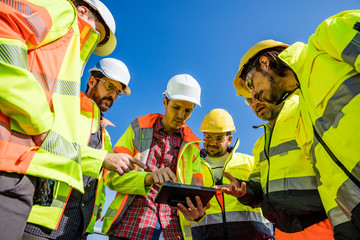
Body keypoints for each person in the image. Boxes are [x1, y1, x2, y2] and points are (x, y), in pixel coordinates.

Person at [0, 0, 118, 239]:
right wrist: (40, 122)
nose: (89, 41)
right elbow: (5, 23)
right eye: (96, 33)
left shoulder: (101, 125)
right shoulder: (64, 10)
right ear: (83, 10)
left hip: (25, 170)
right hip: (12, 163)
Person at [228, 36, 360, 238]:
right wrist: (246, 191)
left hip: (320, 226)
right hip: (288, 229)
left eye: (251, 84)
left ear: (264, 63)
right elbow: (260, 184)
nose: (254, 98)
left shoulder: (303, 106)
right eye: (248, 99)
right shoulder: (262, 143)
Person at [22, 58, 146, 240]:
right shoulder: (64, 108)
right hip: (40, 225)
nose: (113, 95)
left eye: (117, 92)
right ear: (92, 81)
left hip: (78, 229)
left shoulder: (105, 135)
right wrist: (101, 159)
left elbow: (100, 184)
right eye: (110, 87)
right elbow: (49, 147)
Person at [101, 74, 208, 240]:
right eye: (176, 107)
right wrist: (147, 178)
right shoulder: (138, 128)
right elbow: (111, 178)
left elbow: (195, 193)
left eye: (188, 110)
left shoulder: (192, 147)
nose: (181, 115)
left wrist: (197, 211)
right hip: (131, 227)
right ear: (165, 102)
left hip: (172, 232)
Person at [190, 108, 274, 240]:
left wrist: (246, 194)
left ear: (229, 139)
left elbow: (266, 196)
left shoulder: (249, 162)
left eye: (218, 138)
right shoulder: (192, 168)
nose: (212, 142)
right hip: (206, 236)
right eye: (208, 137)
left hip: (253, 236)